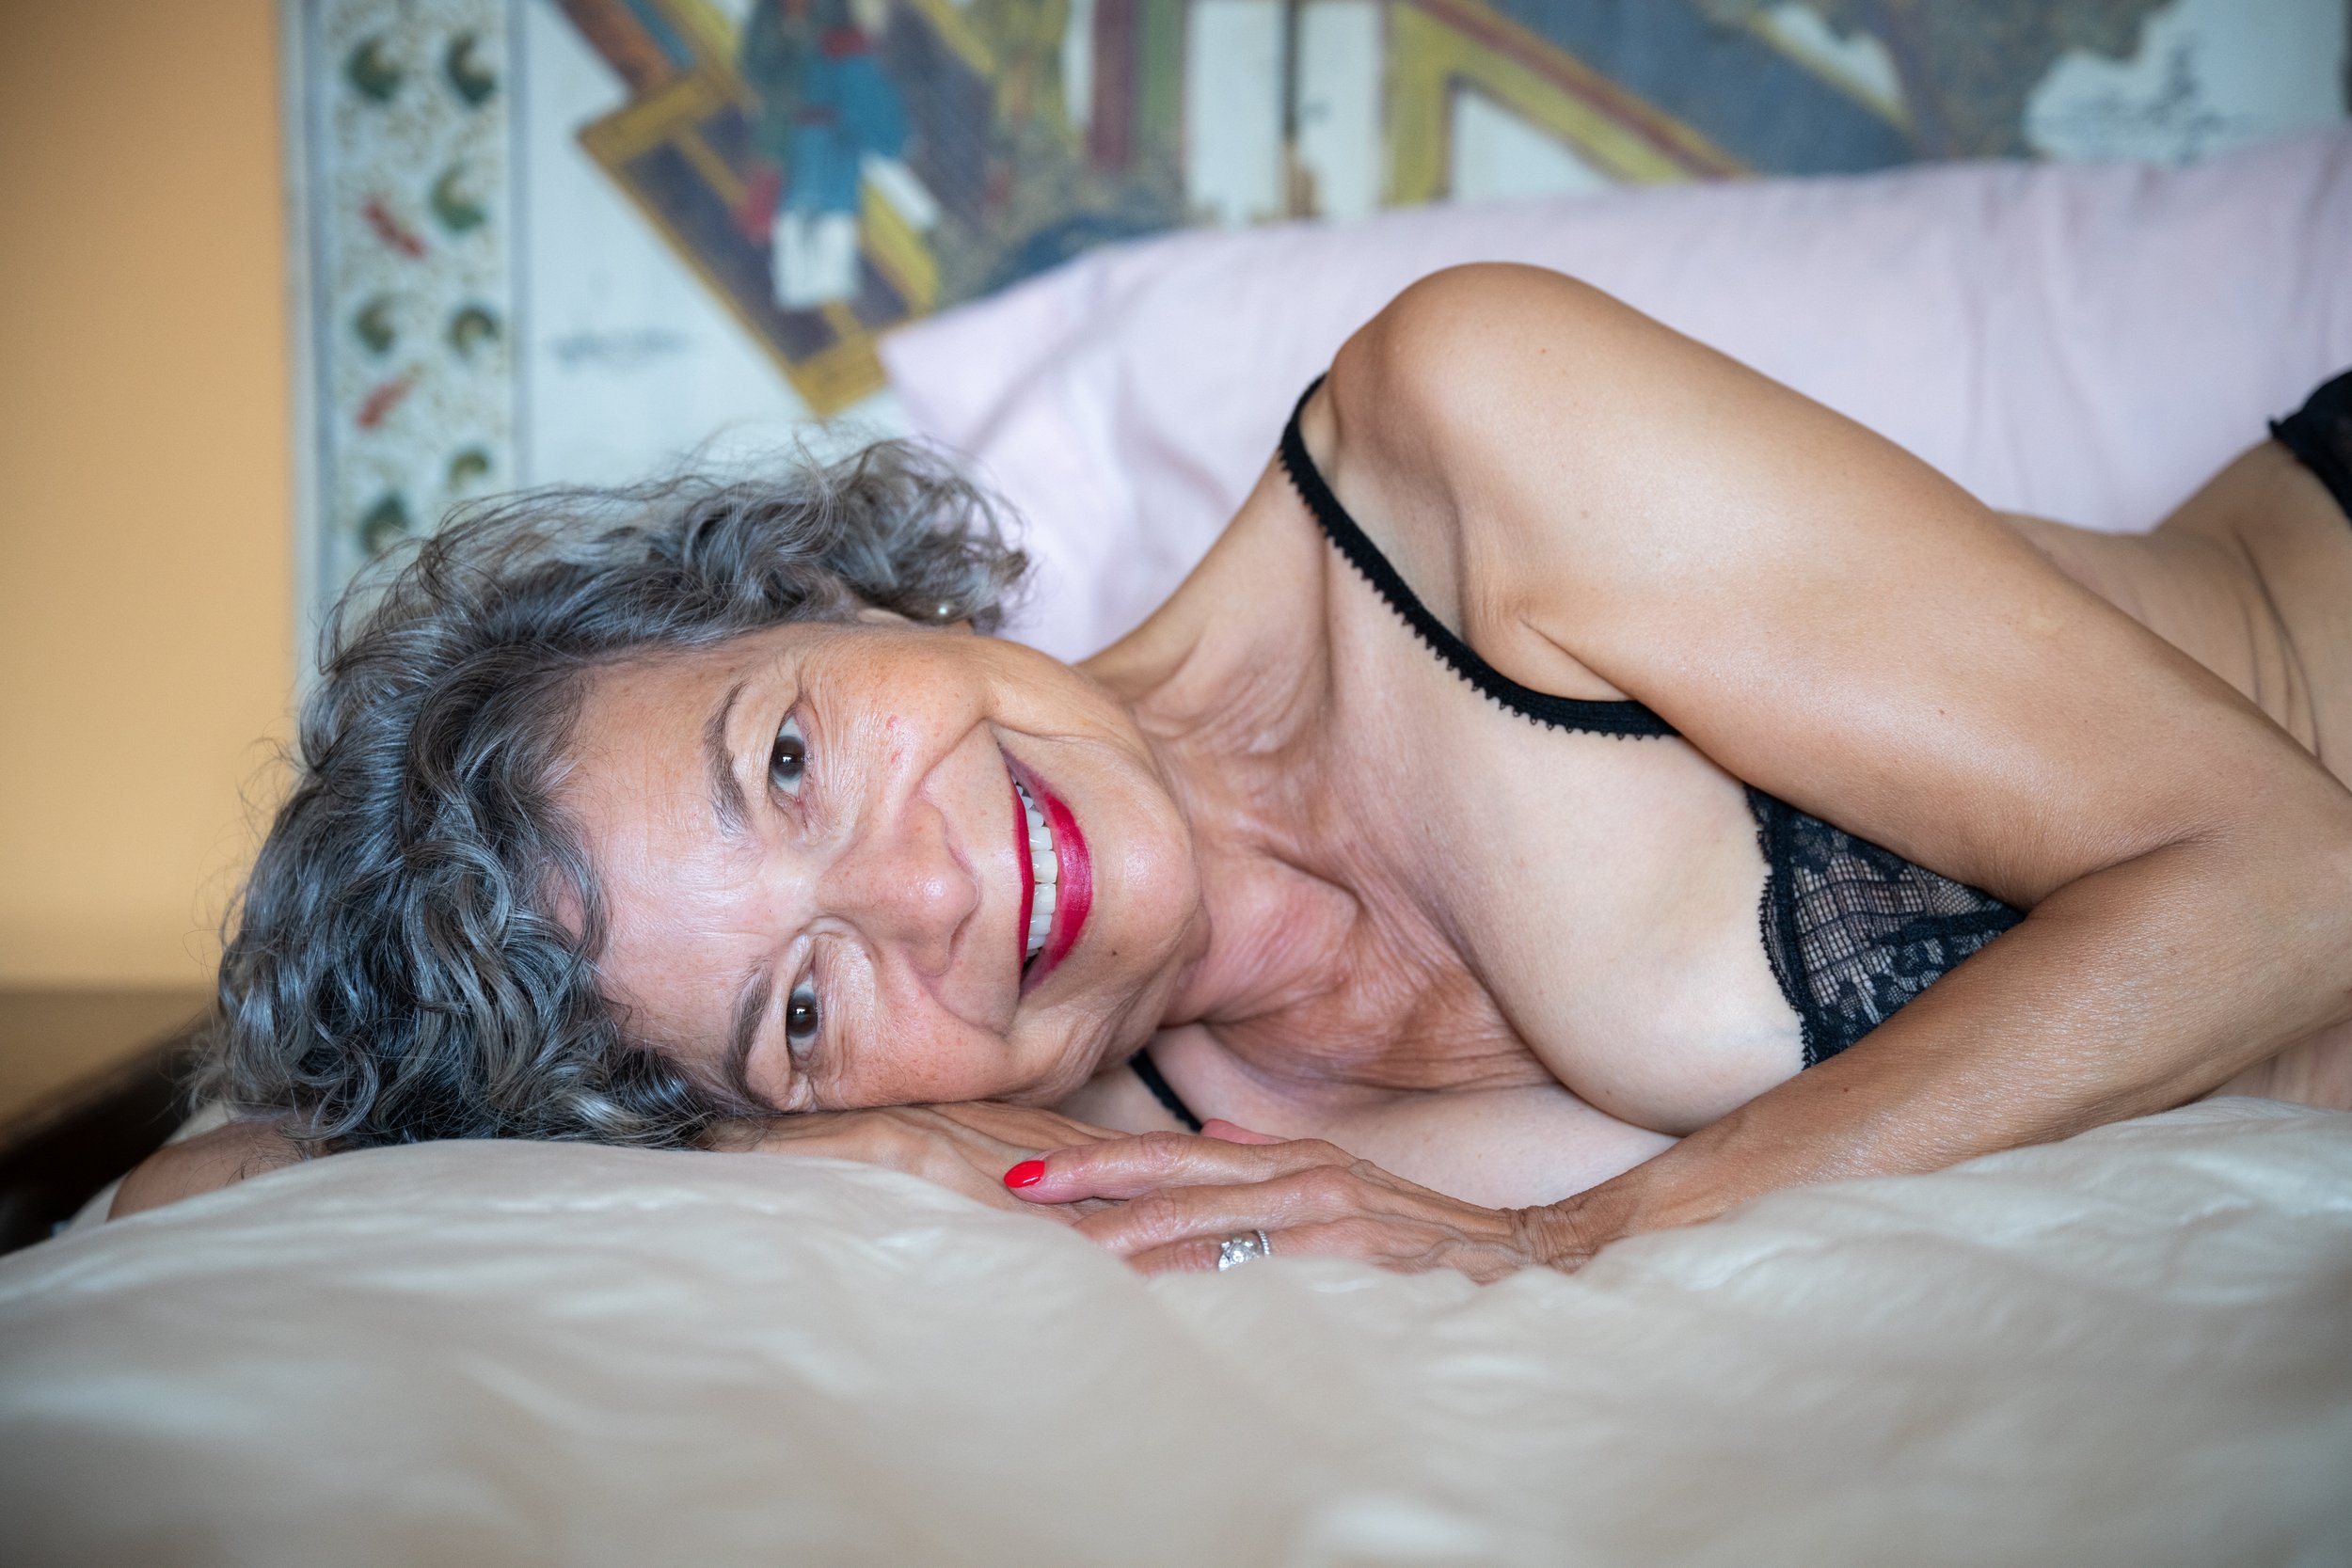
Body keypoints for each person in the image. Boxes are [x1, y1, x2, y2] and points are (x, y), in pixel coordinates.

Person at [117, 266, 2352, 1280]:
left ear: (825, 588)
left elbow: (2277, 878)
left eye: (789, 757)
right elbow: (192, 1216)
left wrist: (1593, 1244)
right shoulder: (1111, 1151)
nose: (923, 901)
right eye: (799, 1006)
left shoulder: (1459, 455)